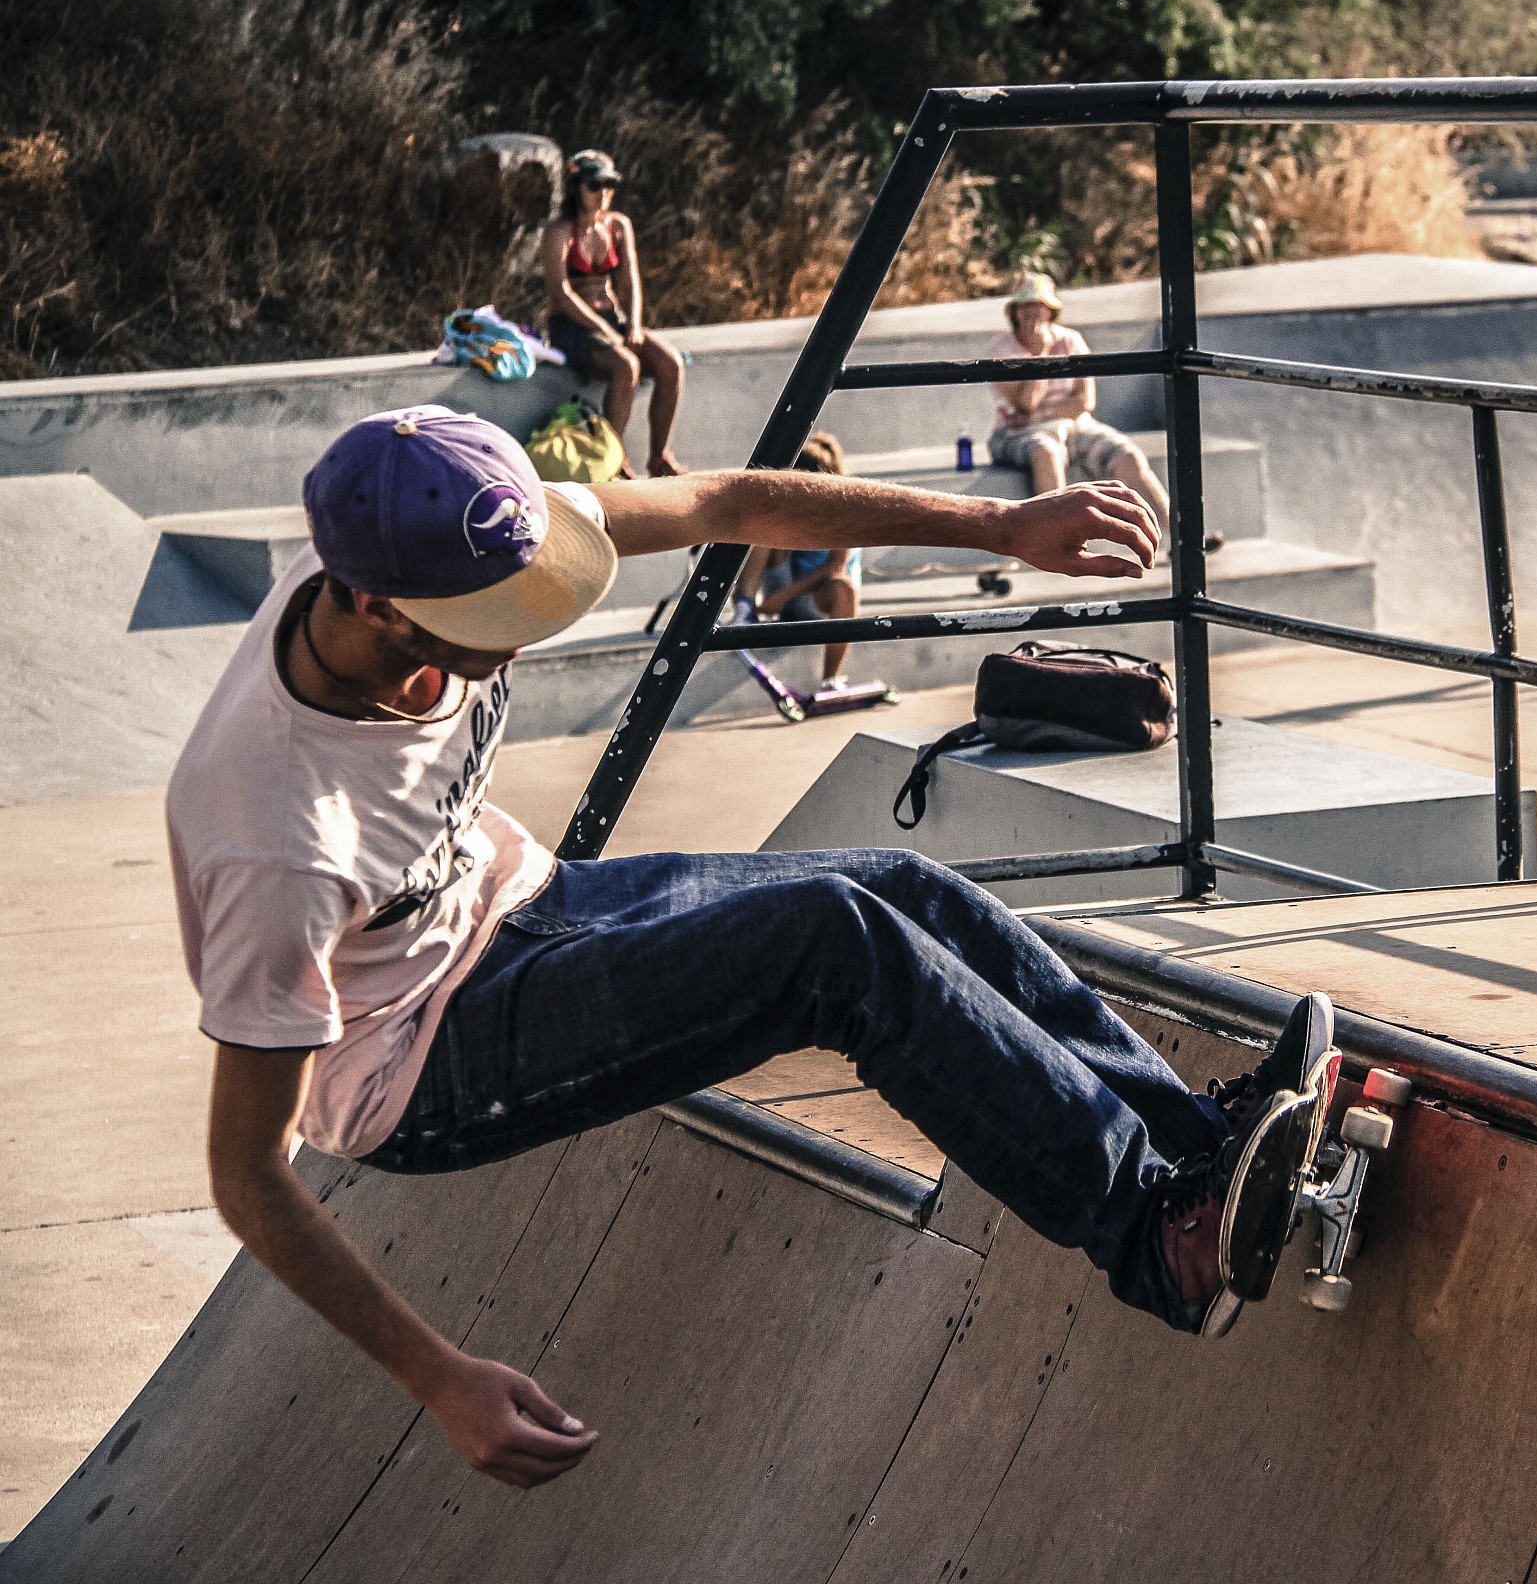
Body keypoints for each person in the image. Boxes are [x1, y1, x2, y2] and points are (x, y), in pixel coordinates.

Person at [174, 405, 1334, 1492]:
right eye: (490, 617)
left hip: (515, 900)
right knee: (833, 946)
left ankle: (1197, 1151)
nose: (522, 624)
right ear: (372, 604)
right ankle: (1157, 1238)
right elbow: (249, 1174)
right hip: (417, 1065)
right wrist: (436, 1375)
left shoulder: (451, 531)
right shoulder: (273, 833)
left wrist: (1000, 525)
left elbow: (728, 501)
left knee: (900, 884)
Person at [541, 149, 688, 478]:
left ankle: (659, 457)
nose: (603, 194)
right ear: (576, 188)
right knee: (626, 367)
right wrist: (605, 333)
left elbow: (630, 281)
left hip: (612, 320)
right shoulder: (559, 231)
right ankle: (612, 460)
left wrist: (633, 325)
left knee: (671, 363)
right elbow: (561, 294)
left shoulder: (618, 226)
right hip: (573, 327)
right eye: (595, 186)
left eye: (609, 186)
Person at [987, 272, 1171, 525]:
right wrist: (1041, 355)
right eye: (1025, 305)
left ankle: (1177, 534)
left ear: (1051, 310)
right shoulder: (1002, 350)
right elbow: (1025, 404)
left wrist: (1040, 414)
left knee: (1129, 456)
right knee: (1047, 453)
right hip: (1018, 433)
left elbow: (1084, 403)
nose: (1032, 312)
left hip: (1074, 426)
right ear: (1015, 312)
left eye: (1038, 305)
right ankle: (1059, 539)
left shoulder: (1071, 340)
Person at [733, 431, 863, 693]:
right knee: (766, 531)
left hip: (817, 600)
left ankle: (830, 679)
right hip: (785, 590)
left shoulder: (846, 508)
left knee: (844, 588)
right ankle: (744, 609)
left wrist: (782, 596)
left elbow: (835, 567)